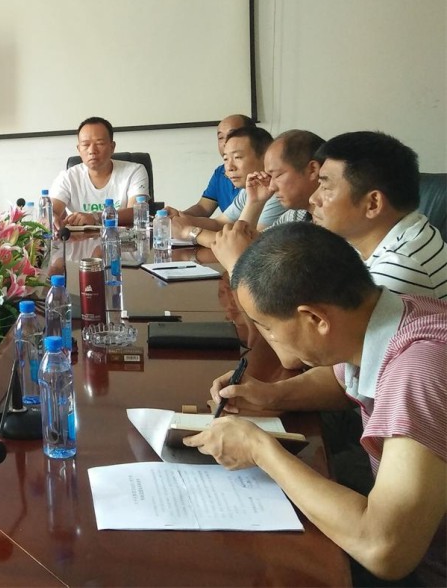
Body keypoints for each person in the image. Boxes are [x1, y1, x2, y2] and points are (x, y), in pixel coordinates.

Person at [185, 223, 446, 585]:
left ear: (315, 319)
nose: (267, 337)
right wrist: (270, 394)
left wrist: (260, 450)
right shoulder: (393, 316)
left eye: (267, 326)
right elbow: (342, 378)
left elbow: (385, 550)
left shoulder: (418, 370)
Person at [310, 131, 447, 300]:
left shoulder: (396, 272)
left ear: (373, 204)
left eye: (326, 188)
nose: (313, 199)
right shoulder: (409, 228)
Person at [210, 129, 325, 272]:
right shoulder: (295, 216)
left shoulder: (332, 229)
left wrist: (234, 265)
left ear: (313, 170)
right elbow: (249, 245)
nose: (272, 187)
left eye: (278, 175)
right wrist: (255, 202)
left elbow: (261, 282)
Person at [171, 125, 287, 247]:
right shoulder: (250, 189)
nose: (229, 167)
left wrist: (189, 232)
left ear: (265, 158)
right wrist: (177, 218)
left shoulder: (276, 193)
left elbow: (243, 244)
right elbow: (219, 223)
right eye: (226, 159)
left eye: (237, 157)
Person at [50, 116, 149, 228]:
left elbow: (137, 212)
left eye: (100, 143)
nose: (92, 151)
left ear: (112, 147)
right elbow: (50, 212)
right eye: (86, 145)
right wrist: (51, 218)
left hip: (121, 237)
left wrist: (95, 217)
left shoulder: (134, 171)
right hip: (78, 238)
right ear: (79, 149)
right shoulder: (68, 177)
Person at [180, 114, 254, 217]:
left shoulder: (262, 181)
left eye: (232, 135)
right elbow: (203, 208)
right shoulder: (220, 172)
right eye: (220, 137)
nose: (225, 143)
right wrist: (178, 216)